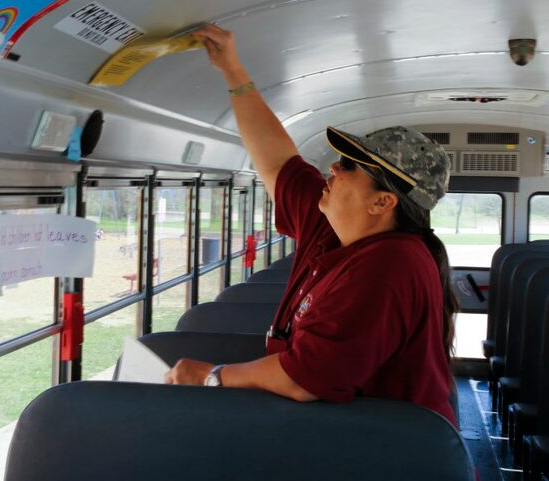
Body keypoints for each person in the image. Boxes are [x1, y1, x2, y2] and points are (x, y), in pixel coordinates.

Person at [164, 24, 459, 426]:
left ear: (383, 202)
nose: (334, 167)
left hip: (388, 453)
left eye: (351, 166)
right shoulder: (334, 229)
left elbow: (307, 379)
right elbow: (277, 162)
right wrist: (233, 71)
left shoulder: (390, 266)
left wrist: (212, 377)